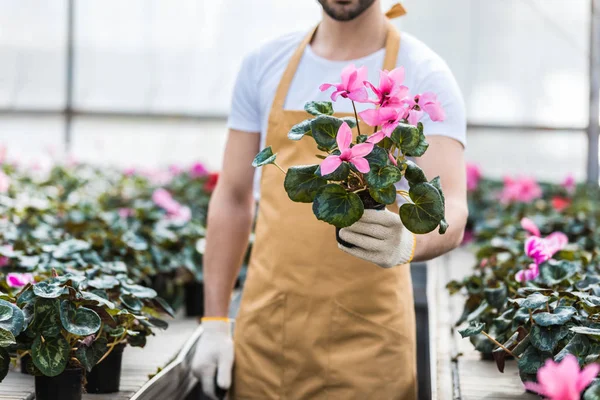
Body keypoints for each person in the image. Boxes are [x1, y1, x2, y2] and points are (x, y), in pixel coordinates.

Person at [191, 1, 468, 399]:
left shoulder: (424, 72)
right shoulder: (265, 64)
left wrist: (410, 243)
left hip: (370, 350)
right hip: (268, 341)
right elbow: (233, 198)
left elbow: (452, 208)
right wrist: (215, 322)